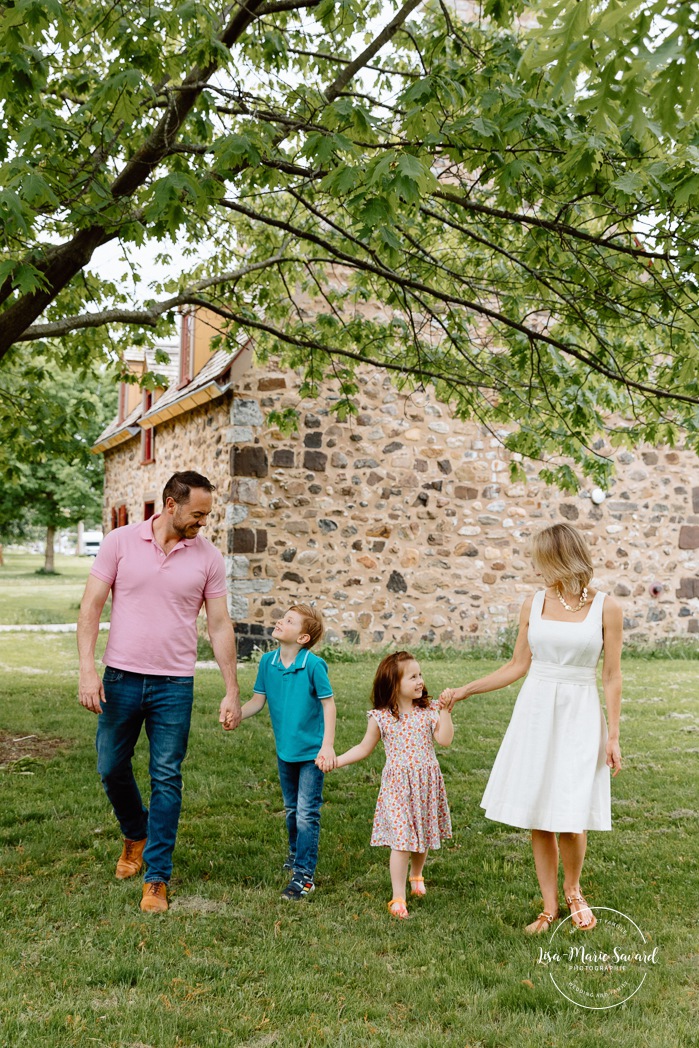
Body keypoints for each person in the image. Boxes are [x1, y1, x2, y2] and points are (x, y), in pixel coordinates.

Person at [440, 522, 623, 934]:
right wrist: (467, 690)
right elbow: (517, 665)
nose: (537, 568)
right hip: (537, 710)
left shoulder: (607, 608)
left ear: (561, 558)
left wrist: (612, 735)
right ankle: (549, 905)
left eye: (542, 560)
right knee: (541, 811)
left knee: (572, 813)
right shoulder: (533, 602)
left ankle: (575, 891)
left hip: (579, 710)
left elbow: (611, 675)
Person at [77, 471, 241, 913]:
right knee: (110, 766)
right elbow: (91, 607)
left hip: (174, 684)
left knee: (166, 776)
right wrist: (88, 670)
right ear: (171, 504)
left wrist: (231, 689)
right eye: (197, 513)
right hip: (121, 678)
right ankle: (135, 832)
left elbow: (219, 624)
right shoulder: (120, 542)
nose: (203, 522)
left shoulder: (207, 557)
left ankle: (156, 876)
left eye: (207, 515)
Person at [330, 651, 453, 919]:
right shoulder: (381, 717)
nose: (420, 681)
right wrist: (337, 761)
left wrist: (445, 713)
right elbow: (364, 748)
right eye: (412, 677)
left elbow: (444, 740)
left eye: (420, 675)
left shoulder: (429, 711)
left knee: (421, 835)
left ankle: (417, 874)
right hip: (397, 786)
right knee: (401, 841)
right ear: (393, 684)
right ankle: (398, 896)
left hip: (425, 783)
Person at [229, 604, 336, 900]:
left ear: (302, 638)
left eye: (289, 621)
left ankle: (304, 875)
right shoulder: (267, 662)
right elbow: (258, 701)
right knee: (292, 810)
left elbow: (329, 704)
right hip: (285, 752)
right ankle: (294, 855)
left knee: (306, 814)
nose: (280, 621)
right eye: (282, 617)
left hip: (312, 753)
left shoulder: (314, 665)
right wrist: (237, 713)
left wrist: (327, 746)